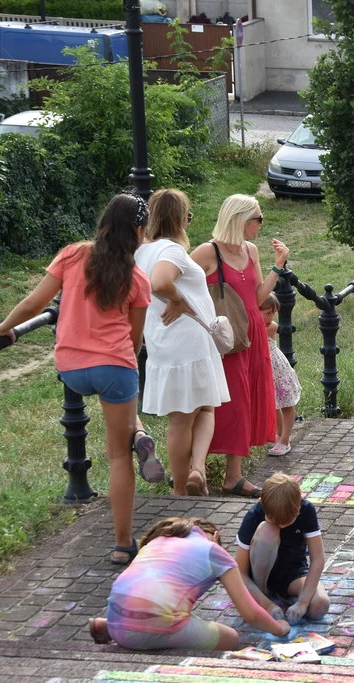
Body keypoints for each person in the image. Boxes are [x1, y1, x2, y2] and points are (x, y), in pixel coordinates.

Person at [0, 193, 158, 564]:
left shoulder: (73, 254)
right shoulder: (137, 277)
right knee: (118, 456)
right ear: (137, 230)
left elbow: (35, 304)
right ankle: (122, 543)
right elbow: (134, 342)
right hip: (115, 367)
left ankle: (140, 432)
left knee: (112, 417)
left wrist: (4, 328)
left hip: (71, 368)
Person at [135, 189, 229, 497]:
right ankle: (182, 487)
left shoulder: (141, 250)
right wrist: (177, 299)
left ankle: (196, 472)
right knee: (188, 417)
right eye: (187, 217)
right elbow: (160, 282)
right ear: (178, 219)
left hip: (165, 342)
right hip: (188, 341)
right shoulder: (171, 250)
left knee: (196, 411)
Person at [190, 195, 285, 498]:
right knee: (223, 401)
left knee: (244, 401)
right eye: (258, 218)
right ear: (239, 219)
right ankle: (194, 470)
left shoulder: (251, 249)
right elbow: (178, 282)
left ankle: (233, 475)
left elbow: (257, 297)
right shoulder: (208, 251)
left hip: (251, 333)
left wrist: (278, 267)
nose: (261, 224)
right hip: (225, 337)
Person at [87, 517, 290, 650]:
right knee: (231, 638)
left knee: (157, 604)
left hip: (116, 620)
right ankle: (143, 628)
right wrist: (279, 628)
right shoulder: (214, 551)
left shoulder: (159, 540)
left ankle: (111, 624)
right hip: (149, 629)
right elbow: (250, 613)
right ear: (216, 536)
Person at [235, 473, 331, 625]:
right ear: (263, 504)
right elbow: (239, 572)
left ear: (298, 504)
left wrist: (303, 602)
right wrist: (266, 604)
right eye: (275, 521)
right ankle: (264, 594)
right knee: (268, 530)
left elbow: (317, 558)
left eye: (287, 521)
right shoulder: (254, 515)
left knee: (320, 605)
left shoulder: (306, 510)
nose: (281, 525)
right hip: (259, 579)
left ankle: (286, 597)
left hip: (292, 574)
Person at [259, 295, 301, 456]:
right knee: (274, 404)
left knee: (286, 404)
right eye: (267, 313)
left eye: (272, 313)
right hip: (266, 369)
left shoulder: (271, 326)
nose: (271, 317)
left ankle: (285, 439)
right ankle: (279, 434)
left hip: (277, 370)